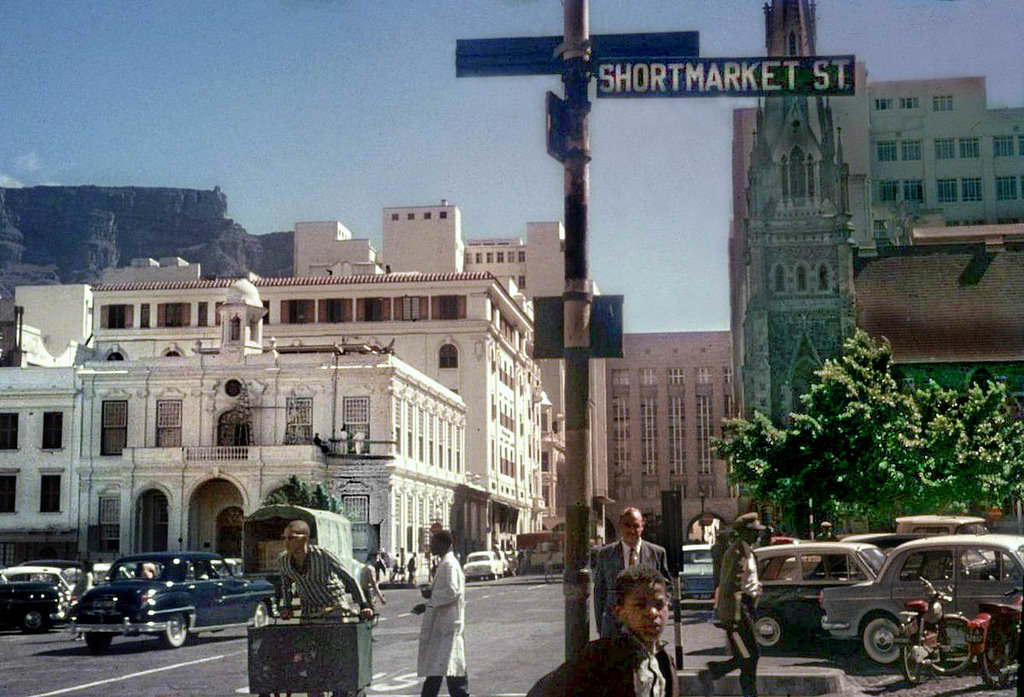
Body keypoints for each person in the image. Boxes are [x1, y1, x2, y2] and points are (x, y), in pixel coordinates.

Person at [526, 565, 677, 697]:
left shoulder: (665, 661)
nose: (652, 613)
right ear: (620, 612)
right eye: (640, 605)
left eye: (659, 604)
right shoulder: (601, 657)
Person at [698, 512, 765, 697]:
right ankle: (716, 673)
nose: (758, 534)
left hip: (747, 608)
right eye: (754, 532)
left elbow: (748, 580)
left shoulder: (749, 552)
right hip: (738, 611)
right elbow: (729, 586)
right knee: (751, 655)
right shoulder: (735, 553)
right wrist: (733, 618)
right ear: (744, 533)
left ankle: (714, 672)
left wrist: (756, 589)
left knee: (746, 656)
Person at [592, 507, 671, 638]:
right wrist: (600, 626)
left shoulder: (657, 553)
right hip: (614, 625)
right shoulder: (605, 554)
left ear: (642, 527)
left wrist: (659, 611)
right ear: (620, 526)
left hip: (646, 623)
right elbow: (599, 592)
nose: (631, 530)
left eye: (636, 526)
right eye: (627, 525)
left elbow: (666, 587)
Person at [278, 519, 374, 622]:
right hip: (309, 611)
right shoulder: (283, 561)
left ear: (304, 539)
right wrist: (287, 607)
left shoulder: (322, 555)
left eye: (291, 538)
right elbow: (286, 586)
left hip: (334, 607)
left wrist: (364, 605)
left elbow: (349, 578)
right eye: (284, 538)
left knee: (334, 630)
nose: (286, 542)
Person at [411, 530, 469, 697]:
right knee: (441, 668)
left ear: (445, 544)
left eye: (435, 543)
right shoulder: (445, 563)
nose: (431, 546)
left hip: (447, 627)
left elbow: (453, 592)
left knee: (449, 669)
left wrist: (431, 594)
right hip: (443, 626)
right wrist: (427, 604)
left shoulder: (449, 564)